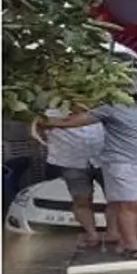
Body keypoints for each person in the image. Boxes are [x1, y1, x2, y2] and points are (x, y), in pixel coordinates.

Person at [40, 84, 137, 259]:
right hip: (125, 164)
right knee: (131, 204)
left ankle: (126, 241)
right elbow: (76, 121)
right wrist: (44, 122)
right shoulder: (116, 109)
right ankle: (132, 246)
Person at [41, 104, 110, 247]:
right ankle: (92, 234)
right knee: (81, 200)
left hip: (104, 159)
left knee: (116, 200)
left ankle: (114, 233)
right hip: (71, 162)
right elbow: (39, 126)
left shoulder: (101, 108)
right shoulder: (49, 113)